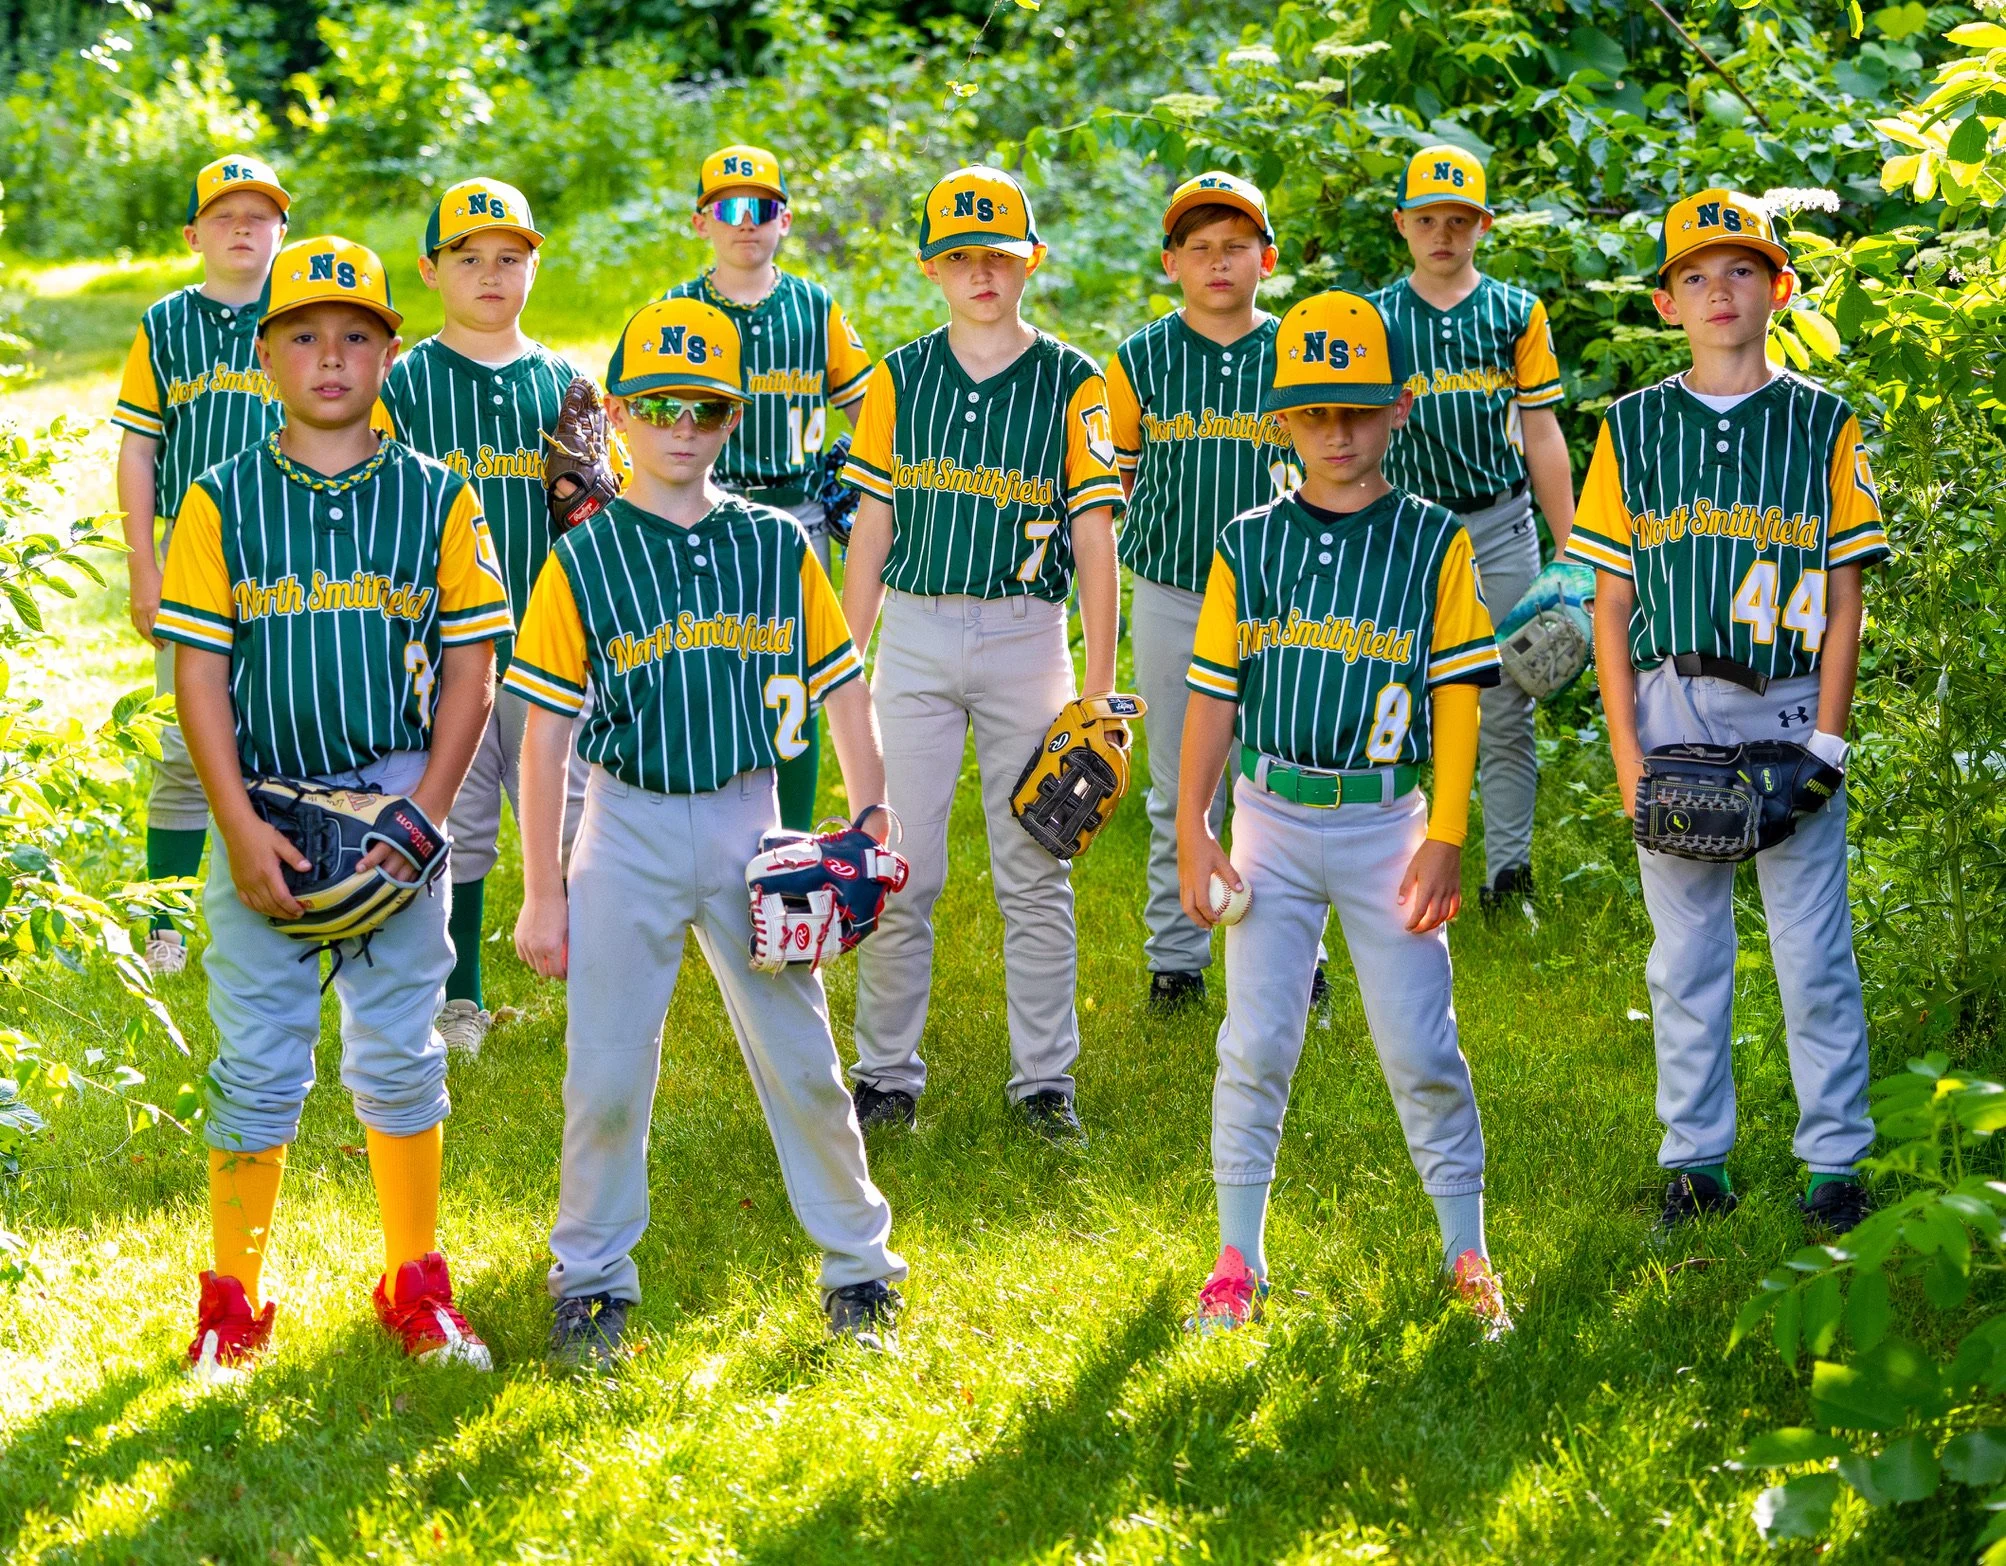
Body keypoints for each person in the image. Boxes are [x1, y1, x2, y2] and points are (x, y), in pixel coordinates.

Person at [509, 297, 907, 1363]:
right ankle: (591, 1280)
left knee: (804, 1061)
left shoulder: (774, 545)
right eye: (659, 405)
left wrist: (869, 809)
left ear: (733, 417)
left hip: (747, 824)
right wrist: (542, 890)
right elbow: (544, 739)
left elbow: (841, 685)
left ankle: (860, 1268)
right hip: (623, 827)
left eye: (707, 407)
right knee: (602, 1073)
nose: (682, 426)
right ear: (621, 417)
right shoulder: (583, 558)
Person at [156, 235, 514, 1377]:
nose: (329, 357)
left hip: (394, 807)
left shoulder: (439, 497)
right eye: (303, 335)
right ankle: (231, 1302)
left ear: (388, 356)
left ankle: (416, 1285)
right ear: (265, 356)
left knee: (401, 1054)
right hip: (260, 810)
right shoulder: (218, 501)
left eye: (355, 335)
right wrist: (233, 825)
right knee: (257, 1063)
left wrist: (431, 815)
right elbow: (198, 675)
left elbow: (473, 666)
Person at [1177, 288, 1510, 1337]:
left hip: (1386, 827)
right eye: (1313, 411)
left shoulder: (1432, 542)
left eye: (1355, 410)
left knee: (1419, 1047)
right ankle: (1236, 1261)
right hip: (1270, 815)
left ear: (1396, 409)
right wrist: (1191, 824)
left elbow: (1456, 698)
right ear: (1282, 418)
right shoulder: (1248, 539)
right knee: (1254, 1042)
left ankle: (1467, 1254)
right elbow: (1212, 694)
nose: (1335, 431)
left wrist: (1448, 832)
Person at [1564, 188, 1888, 1235]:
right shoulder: (1631, 428)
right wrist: (1625, 755)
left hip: (1790, 704)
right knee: (1684, 957)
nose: (1717, 290)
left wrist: (1826, 744)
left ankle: (1833, 1165)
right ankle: (1693, 1162)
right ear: (1665, 303)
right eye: (1694, 275)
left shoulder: (1821, 424)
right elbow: (1608, 610)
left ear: (1777, 288)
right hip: (1671, 704)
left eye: (1740, 269)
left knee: (1811, 952)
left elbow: (1843, 599)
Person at [839, 166, 1124, 1139]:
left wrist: (1094, 689)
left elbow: (1093, 537)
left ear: (1030, 259)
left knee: (1033, 863)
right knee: (897, 861)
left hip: (1021, 635)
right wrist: (846, 658)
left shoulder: (1072, 380)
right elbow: (870, 529)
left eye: (999, 255)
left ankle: (1043, 1083)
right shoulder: (897, 377)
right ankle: (884, 1076)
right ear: (931, 268)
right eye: (961, 257)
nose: (982, 273)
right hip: (913, 634)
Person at [379, 176, 589, 1054]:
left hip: (547, 643)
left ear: (533, 267)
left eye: (510, 258)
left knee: (575, 815)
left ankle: (597, 979)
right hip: (443, 644)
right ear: (431, 271)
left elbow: (590, 522)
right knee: (457, 823)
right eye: (469, 259)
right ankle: (457, 997)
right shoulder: (406, 384)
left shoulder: (566, 384)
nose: (491, 275)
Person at [1106, 171, 1304, 1013]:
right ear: (1171, 263)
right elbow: (1112, 484)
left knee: (1285, 774)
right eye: (1199, 249)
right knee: (1177, 787)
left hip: (1285, 596)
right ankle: (1177, 958)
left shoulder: (1302, 348)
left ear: (1267, 256)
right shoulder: (1140, 358)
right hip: (1173, 589)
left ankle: (1294, 949)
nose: (1219, 263)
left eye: (1235, 247)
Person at [1371, 144, 1576, 914]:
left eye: (1459, 220)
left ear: (1483, 225)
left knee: (1509, 696)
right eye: (1427, 219)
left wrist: (1571, 549)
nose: (1443, 233)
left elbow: (1544, 431)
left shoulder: (1515, 311)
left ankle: (1508, 875)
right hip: (1406, 529)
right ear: (1402, 224)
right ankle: (1390, 855)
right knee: (1392, 689)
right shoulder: (1378, 319)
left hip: (1499, 520)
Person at [113, 154, 293, 976]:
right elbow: (140, 449)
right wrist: (140, 566)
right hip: (191, 561)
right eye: (225, 216)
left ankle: (294, 889)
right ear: (194, 234)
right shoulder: (165, 323)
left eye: (260, 215)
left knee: (286, 729)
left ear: (282, 230)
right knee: (183, 742)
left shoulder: (303, 313)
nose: (244, 228)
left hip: (295, 557)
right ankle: (166, 920)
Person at [665, 143, 874, 830]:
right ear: (701, 222)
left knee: (797, 676)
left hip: (800, 513)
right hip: (704, 511)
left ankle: (792, 833)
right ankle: (711, 819)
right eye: (729, 207)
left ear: (785, 220)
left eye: (763, 207)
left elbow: (870, 411)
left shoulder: (815, 309)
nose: (746, 221)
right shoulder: (678, 312)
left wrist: (879, 483)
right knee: (705, 666)